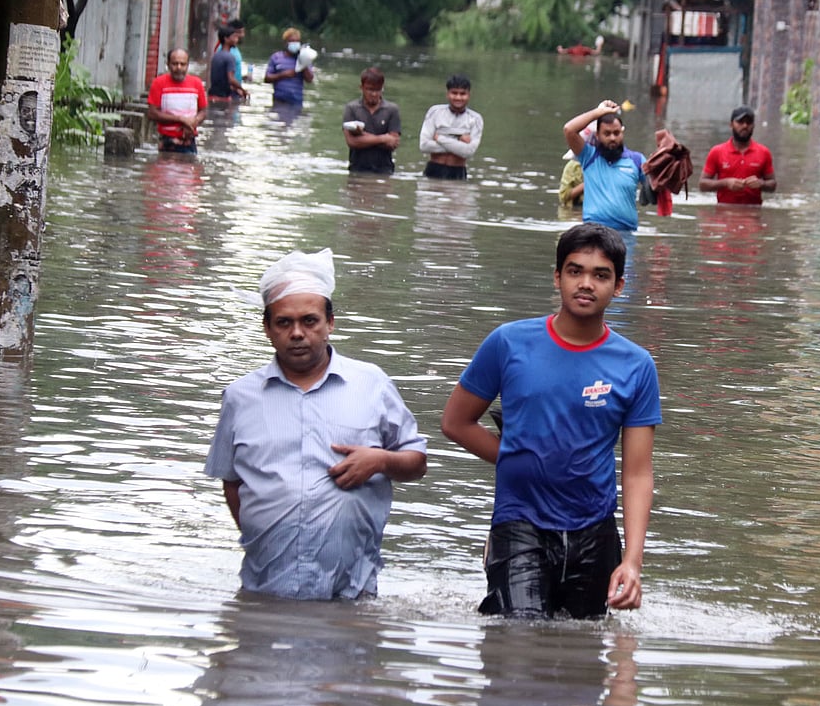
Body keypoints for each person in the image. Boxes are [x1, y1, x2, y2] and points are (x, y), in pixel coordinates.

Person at [440, 223, 661, 619]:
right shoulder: (508, 343)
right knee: (519, 646)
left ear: (620, 286)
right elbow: (456, 422)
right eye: (575, 271)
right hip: (519, 522)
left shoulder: (636, 366)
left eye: (601, 275)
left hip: (595, 530)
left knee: (583, 658)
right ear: (557, 277)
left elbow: (637, 473)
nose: (586, 283)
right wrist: (521, 457)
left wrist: (633, 561)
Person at [204, 249, 428, 600]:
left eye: (309, 321)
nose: (297, 333)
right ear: (267, 329)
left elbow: (416, 461)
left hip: (352, 590)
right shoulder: (240, 397)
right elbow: (231, 481)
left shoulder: (371, 384)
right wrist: (262, 535)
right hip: (264, 589)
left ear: (330, 323)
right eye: (284, 323)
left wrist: (381, 460)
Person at [563, 100, 646, 231]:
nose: (612, 138)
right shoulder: (588, 156)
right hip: (593, 231)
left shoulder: (637, 160)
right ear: (597, 135)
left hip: (626, 233)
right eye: (607, 134)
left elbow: (656, 185)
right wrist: (598, 112)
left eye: (616, 133)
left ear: (622, 133)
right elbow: (569, 130)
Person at [699, 105, 777, 205]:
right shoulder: (717, 151)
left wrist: (761, 184)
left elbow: (772, 184)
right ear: (731, 124)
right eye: (740, 122)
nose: (745, 126)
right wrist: (726, 183)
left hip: (754, 212)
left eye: (748, 123)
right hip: (724, 212)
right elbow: (702, 184)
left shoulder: (763, 152)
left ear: (753, 125)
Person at [419, 74, 483, 180]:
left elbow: (469, 152)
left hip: (457, 172)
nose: (458, 97)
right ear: (447, 94)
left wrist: (439, 138)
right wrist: (460, 142)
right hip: (433, 169)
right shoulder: (435, 112)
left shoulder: (476, 119)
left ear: (469, 95)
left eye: (462, 94)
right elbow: (424, 146)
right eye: (454, 93)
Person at [146, 47, 207, 154]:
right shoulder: (158, 83)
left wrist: (193, 123)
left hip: (189, 142)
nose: (179, 67)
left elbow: (203, 111)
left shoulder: (197, 84)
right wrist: (180, 119)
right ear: (168, 64)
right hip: (167, 142)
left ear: (188, 65)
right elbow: (152, 113)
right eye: (175, 64)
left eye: (182, 64)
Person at [342, 67, 401, 175]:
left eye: (377, 90)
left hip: (384, 170)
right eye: (370, 89)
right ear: (362, 88)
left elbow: (393, 143)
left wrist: (362, 136)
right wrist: (383, 138)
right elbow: (351, 142)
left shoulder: (391, 110)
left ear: (382, 88)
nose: (374, 94)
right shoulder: (352, 108)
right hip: (357, 169)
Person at [265, 28, 314, 107]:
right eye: (292, 41)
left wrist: (303, 62)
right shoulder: (276, 57)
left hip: (296, 102)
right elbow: (267, 78)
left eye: (297, 41)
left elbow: (310, 79)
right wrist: (283, 75)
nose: (295, 43)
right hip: (278, 101)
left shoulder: (304, 57)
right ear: (285, 43)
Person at [208, 26, 247, 103]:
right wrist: (242, 89)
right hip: (223, 97)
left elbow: (221, 78)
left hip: (212, 95)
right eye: (234, 37)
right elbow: (231, 79)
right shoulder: (230, 57)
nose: (237, 39)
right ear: (226, 39)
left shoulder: (216, 55)